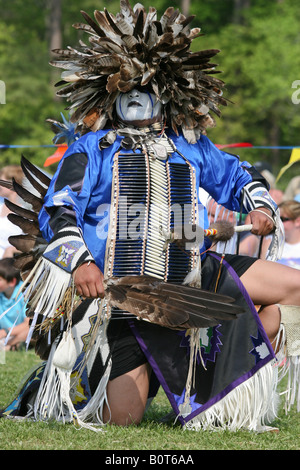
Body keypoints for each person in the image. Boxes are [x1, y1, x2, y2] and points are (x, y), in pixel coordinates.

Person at [1, 1, 300, 431]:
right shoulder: (92, 149)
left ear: (168, 89)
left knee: (293, 290)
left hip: (195, 280)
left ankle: (222, 394)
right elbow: (58, 206)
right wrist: (83, 262)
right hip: (126, 298)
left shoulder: (189, 143)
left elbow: (236, 176)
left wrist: (257, 206)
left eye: (147, 85)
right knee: (122, 419)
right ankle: (74, 381)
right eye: (128, 86)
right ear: (111, 89)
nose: (137, 96)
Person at [0, 258, 29, 350]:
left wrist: (5, 332)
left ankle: (9, 346)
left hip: (21, 333)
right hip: (4, 335)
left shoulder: (24, 293)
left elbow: (28, 324)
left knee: (31, 331)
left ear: (12, 282)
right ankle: (13, 346)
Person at [0, 165, 24, 259]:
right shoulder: (0, 206)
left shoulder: (25, 214)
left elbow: (33, 246)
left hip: (6, 268)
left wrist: (11, 250)